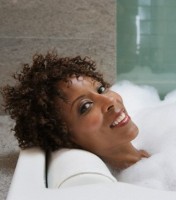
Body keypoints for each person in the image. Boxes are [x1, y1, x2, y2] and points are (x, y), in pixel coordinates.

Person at [0, 52, 150, 170]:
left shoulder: (157, 158)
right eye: (85, 106)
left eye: (101, 89)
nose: (110, 100)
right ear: (66, 137)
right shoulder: (116, 187)